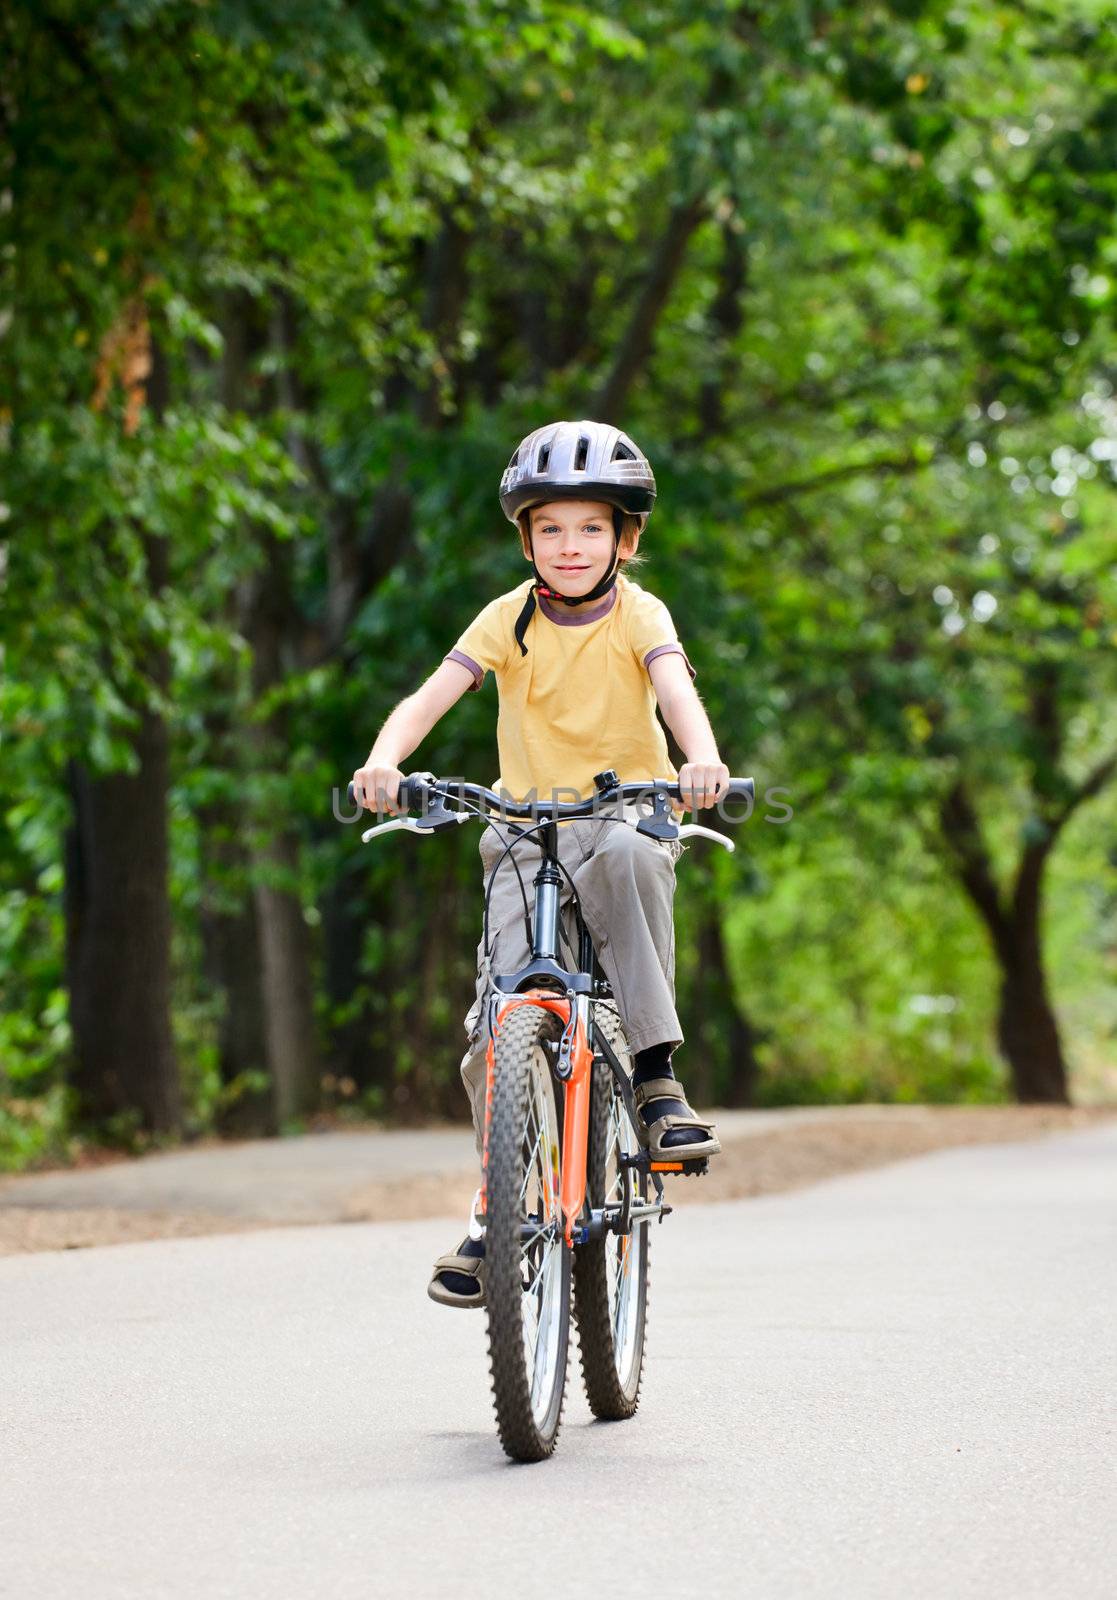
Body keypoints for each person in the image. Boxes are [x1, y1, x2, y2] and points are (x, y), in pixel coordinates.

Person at [352, 419, 731, 1308]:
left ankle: (654, 1078)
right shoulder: (505, 619)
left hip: (622, 812)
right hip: (521, 829)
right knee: (495, 1026)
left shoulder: (640, 612)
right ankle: (497, 1214)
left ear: (624, 538)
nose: (570, 546)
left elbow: (674, 689)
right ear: (526, 538)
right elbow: (430, 697)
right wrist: (383, 762)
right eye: (551, 529)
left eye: (591, 528)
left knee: (638, 857)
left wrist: (699, 760)